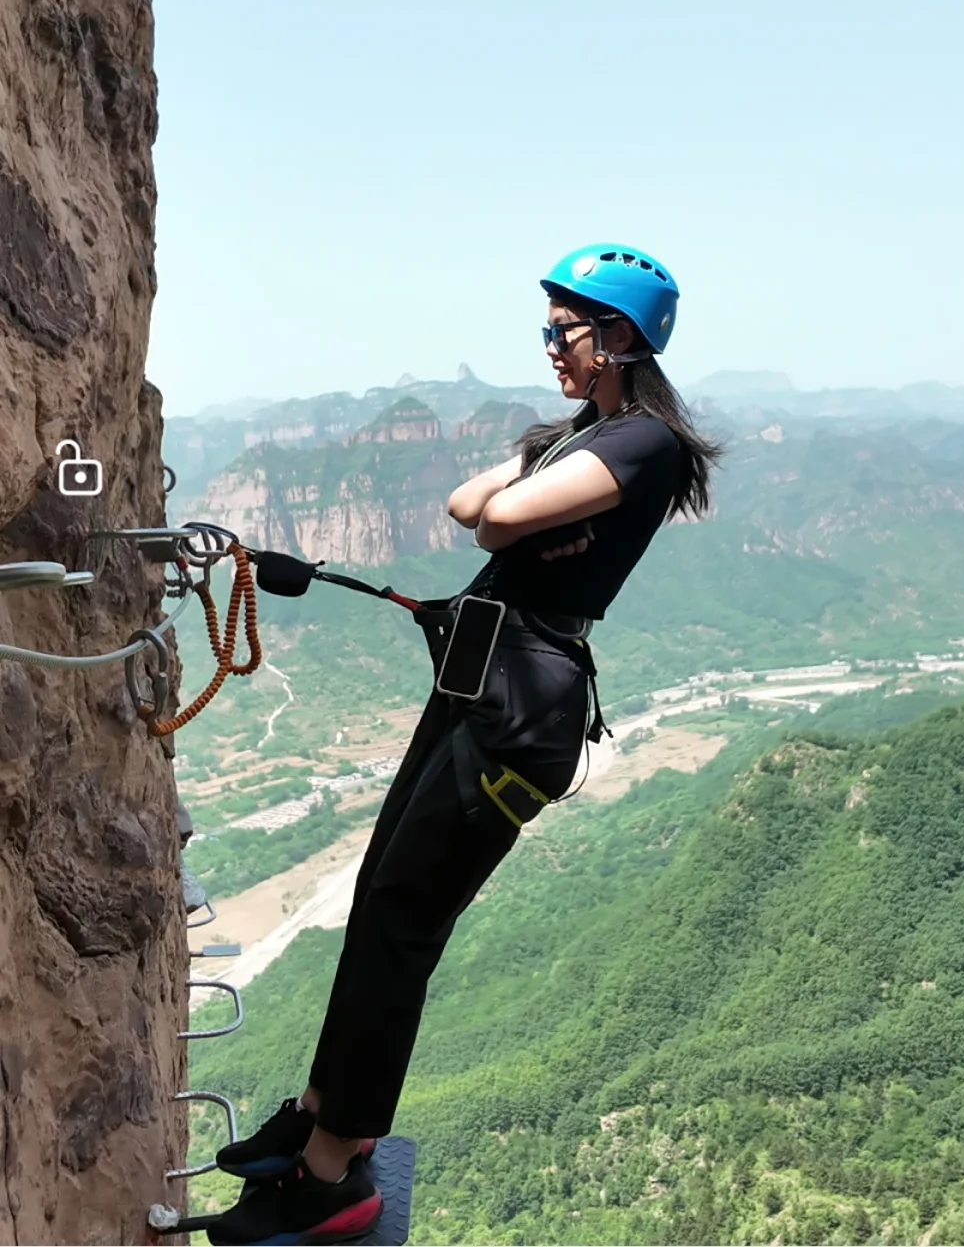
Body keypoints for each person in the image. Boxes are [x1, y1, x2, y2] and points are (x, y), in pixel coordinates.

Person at [211, 243, 722, 1245]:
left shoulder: (645, 444)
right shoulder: (590, 432)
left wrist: (521, 482)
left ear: (618, 335)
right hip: (475, 692)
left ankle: (333, 1176)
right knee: (377, 899)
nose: (549, 350)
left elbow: (497, 525)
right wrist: (530, 471)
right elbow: (465, 509)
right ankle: (324, 1115)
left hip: (520, 714)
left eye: (561, 331)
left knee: (405, 921)